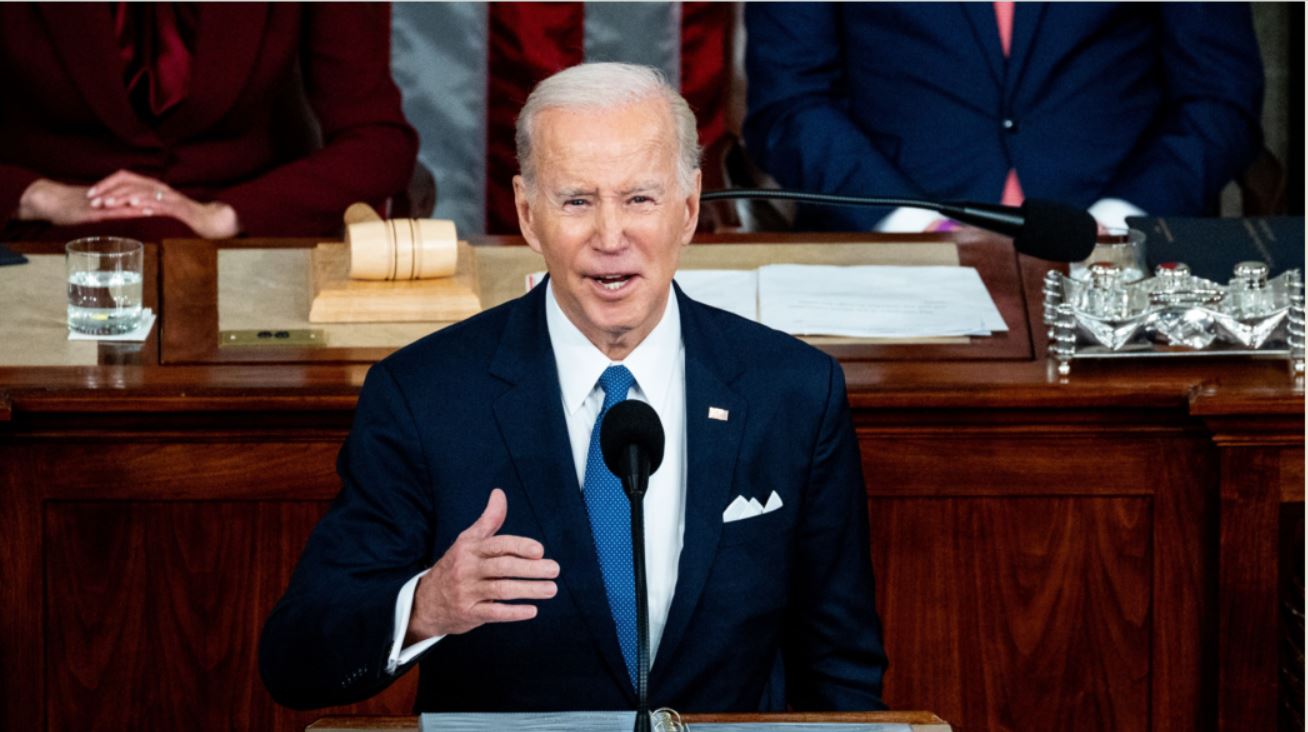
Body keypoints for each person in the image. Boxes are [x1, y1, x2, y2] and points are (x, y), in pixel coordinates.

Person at [259, 62, 887, 713]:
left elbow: (841, 664)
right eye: (577, 201)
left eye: (640, 199)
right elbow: (295, 660)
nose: (610, 238)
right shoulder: (424, 397)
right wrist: (425, 606)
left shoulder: (793, 391)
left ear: (690, 208)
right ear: (529, 215)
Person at [743, 2, 1264, 233]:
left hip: (1126, 254)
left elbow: (1219, 96)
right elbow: (790, 101)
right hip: (883, 261)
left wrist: (1116, 223)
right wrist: (916, 227)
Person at [0, 3, 418, 242]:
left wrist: (223, 215)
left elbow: (379, 142)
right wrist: (37, 197)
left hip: (242, 250)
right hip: (39, 240)